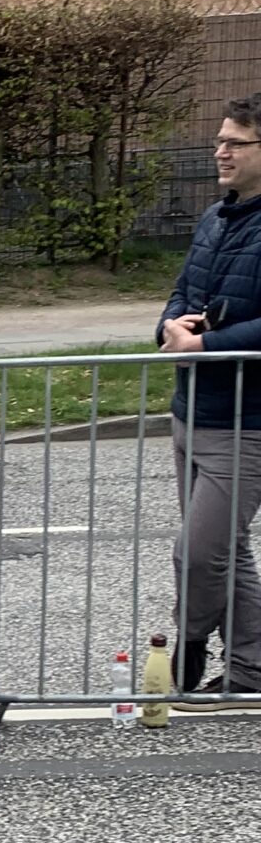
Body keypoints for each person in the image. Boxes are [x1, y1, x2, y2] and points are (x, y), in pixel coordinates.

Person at [158, 94, 261, 695]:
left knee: (198, 554)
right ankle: (251, 670)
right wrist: (170, 329)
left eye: (235, 143)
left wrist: (207, 343)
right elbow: (182, 290)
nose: (220, 151)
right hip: (191, 410)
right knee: (227, 551)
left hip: (246, 421)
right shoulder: (217, 216)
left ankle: (192, 641)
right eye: (219, 141)